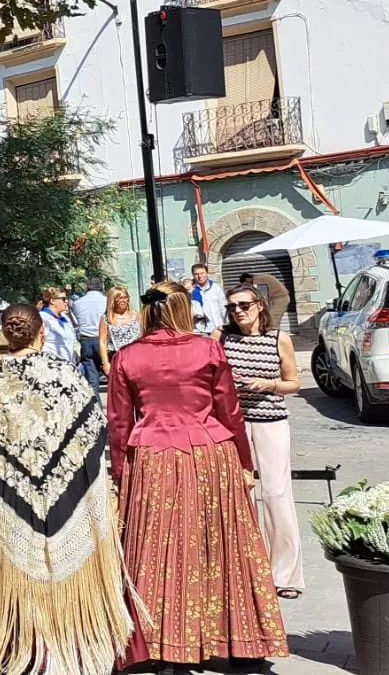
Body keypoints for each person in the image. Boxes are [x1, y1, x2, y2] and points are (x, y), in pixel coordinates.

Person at [109, 283, 287, 668]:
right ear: (183, 309)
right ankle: (242, 647)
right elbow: (230, 411)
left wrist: (121, 474)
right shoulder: (207, 348)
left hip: (153, 459)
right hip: (210, 454)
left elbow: (119, 424)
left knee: (158, 552)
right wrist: (244, 461)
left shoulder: (127, 356)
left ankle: (162, 650)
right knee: (224, 547)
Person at [0, 305, 130, 675]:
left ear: (6, 333)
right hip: (68, 483)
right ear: (41, 332)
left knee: (26, 564)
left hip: (12, 489)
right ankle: (78, 641)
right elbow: (93, 425)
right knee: (65, 566)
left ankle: (33, 649)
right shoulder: (63, 371)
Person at [220, 283, 305, 599]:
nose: (238, 311)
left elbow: (294, 382)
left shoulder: (278, 339)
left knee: (276, 494)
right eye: (232, 307)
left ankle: (286, 575)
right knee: (239, 496)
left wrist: (268, 384)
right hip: (233, 425)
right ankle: (248, 570)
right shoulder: (223, 338)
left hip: (271, 422)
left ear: (259, 305)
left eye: (243, 305)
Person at [98, 286, 141, 376]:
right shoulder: (106, 319)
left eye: (125, 297)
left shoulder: (136, 315)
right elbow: (103, 342)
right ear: (113, 300)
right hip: (116, 357)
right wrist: (105, 363)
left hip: (136, 357)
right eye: (120, 298)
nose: (123, 300)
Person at [73, 277, 108, 387]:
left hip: (86, 341)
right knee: (112, 376)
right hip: (104, 341)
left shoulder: (77, 303)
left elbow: (76, 324)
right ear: (101, 287)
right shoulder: (107, 301)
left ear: (86, 287)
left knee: (93, 381)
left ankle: (96, 402)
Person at [38, 287, 78, 365]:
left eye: (67, 299)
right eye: (63, 299)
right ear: (52, 300)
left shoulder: (65, 317)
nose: (66, 301)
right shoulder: (42, 318)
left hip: (69, 366)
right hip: (51, 365)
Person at [190, 261, 228, 336]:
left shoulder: (215, 288)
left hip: (219, 327)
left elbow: (223, 307)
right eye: (196, 274)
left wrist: (227, 324)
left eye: (202, 273)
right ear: (193, 275)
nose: (200, 276)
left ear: (207, 273)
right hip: (202, 331)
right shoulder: (192, 292)